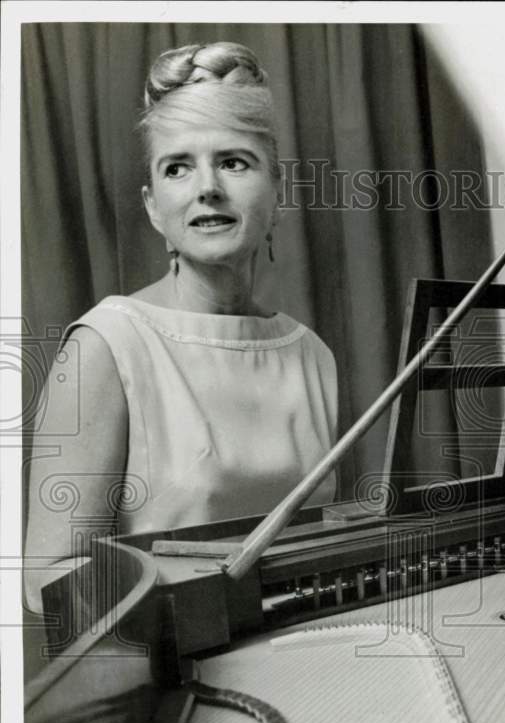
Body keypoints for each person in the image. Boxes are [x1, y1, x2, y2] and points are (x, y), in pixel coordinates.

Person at [24, 42, 338, 614]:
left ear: (279, 193)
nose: (207, 187)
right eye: (178, 167)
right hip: (170, 674)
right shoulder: (105, 346)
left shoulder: (312, 354)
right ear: (153, 207)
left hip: (306, 657)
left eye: (234, 161)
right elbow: (49, 586)